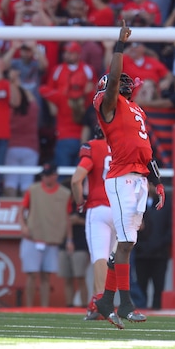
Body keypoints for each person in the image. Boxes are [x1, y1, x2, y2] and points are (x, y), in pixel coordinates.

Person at [92, 20, 166, 329]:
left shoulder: (135, 109)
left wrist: (157, 182)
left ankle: (106, 301)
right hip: (121, 178)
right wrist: (119, 46)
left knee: (127, 243)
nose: (125, 83)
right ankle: (126, 304)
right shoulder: (107, 103)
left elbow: (144, 146)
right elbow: (111, 88)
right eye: (120, 80)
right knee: (124, 243)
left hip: (137, 178)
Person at [70, 124, 116, 320]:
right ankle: (110, 301)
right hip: (121, 209)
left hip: (98, 207)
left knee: (100, 257)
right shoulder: (123, 147)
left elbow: (75, 179)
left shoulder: (93, 147)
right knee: (115, 259)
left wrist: (80, 201)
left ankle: (100, 301)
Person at [18, 163, 72, 307]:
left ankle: (44, 307)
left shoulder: (64, 194)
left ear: (55, 175)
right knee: (31, 274)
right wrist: (23, 226)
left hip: (51, 239)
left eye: (48, 175)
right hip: (33, 238)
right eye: (44, 175)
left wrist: (69, 239)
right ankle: (28, 307)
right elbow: (22, 210)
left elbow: (67, 218)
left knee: (46, 276)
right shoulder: (33, 190)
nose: (46, 178)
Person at [134, 183, 173, 310]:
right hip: (141, 252)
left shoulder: (166, 204)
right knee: (141, 285)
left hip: (159, 253)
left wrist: (160, 244)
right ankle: (141, 309)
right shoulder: (136, 203)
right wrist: (138, 245)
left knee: (158, 286)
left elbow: (170, 228)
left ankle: (157, 309)